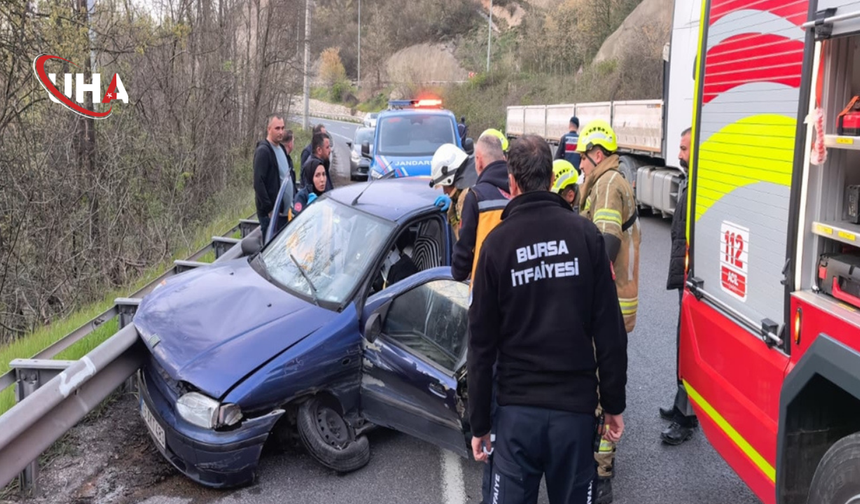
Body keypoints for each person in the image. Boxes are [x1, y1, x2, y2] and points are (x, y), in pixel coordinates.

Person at [468, 133, 628, 504]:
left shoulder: (496, 245)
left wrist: (480, 424)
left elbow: (480, 345)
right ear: (552, 179)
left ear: (512, 182)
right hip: (574, 415)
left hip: (516, 417)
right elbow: (610, 330)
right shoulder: (586, 237)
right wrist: (613, 404)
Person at [577, 119, 641, 504]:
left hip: (609, 304)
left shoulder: (606, 185)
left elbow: (604, 245)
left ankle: (601, 473)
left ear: (597, 154)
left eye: (584, 158)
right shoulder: (611, 180)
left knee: (603, 387)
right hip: (616, 302)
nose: (581, 164)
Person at [660, 127, 698, 445]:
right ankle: (682, 405)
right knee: (682, 341)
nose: (679, 155)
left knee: (687, 345)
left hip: (693, 280)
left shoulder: (701, 183)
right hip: (686, 276)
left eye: (684, 149)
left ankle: (685, 418)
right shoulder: (690, 179)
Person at [451, 134, 511, 282]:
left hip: (485, 288)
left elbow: (462, 258)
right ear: (504, 159)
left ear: (478, 161)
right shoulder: (520, 191)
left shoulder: (475, 197)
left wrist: (458, 271)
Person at [253, 114, 291, 239]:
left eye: (282, 128)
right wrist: (270, 209)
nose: (281, 132)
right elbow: (258, 183)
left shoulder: (281, 149)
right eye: (277, 128)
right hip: (272, 216)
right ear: (269, 129)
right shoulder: (264, 151)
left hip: (284, 214)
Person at [429, 143, 476, 240]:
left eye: (444, 186)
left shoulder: (467, 197)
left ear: (452, 178)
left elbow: (465, 243)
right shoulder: (474, 183)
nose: (445, 192)